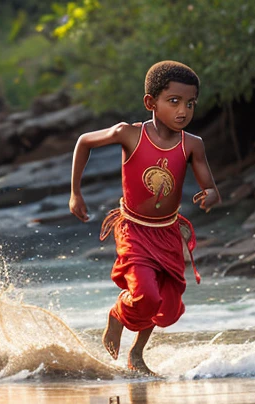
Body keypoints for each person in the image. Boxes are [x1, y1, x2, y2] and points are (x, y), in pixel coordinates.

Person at [69, 61, 221, 375]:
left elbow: (210, 185)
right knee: (146, 295)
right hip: (134, 230)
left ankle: (136, 354)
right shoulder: (129, 134)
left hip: (167, 232)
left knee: (166, 305)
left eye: (190, 104)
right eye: (174, 102)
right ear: (151, 103)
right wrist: (75, 193)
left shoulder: (193, 144)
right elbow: (84, 141)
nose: (183, 111)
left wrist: (211, 196)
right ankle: (116, 314)